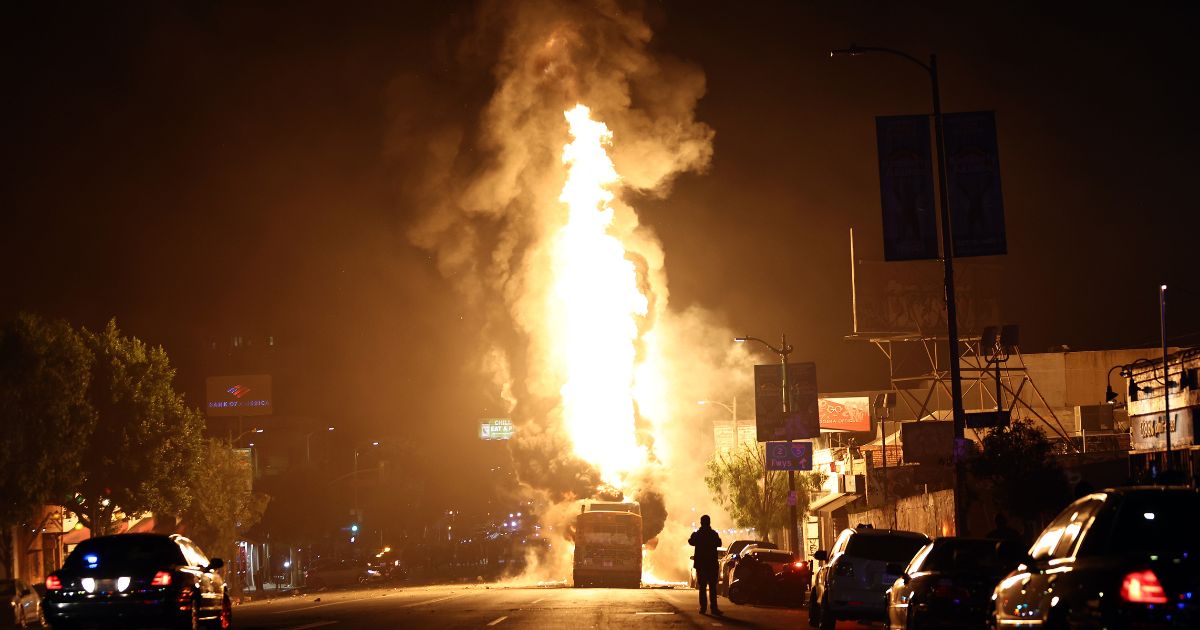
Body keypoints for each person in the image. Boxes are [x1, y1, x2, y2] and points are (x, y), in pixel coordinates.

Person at [689, 514, 723, 615]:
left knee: (702, 587)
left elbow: (691, 541)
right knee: (712, 588)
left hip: (701, 565)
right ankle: (714, 608)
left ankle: (703, 608)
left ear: (701, 523)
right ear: (709, 522)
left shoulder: (698, 534)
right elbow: (719, 543)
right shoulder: (713, 534)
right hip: (711, 565)